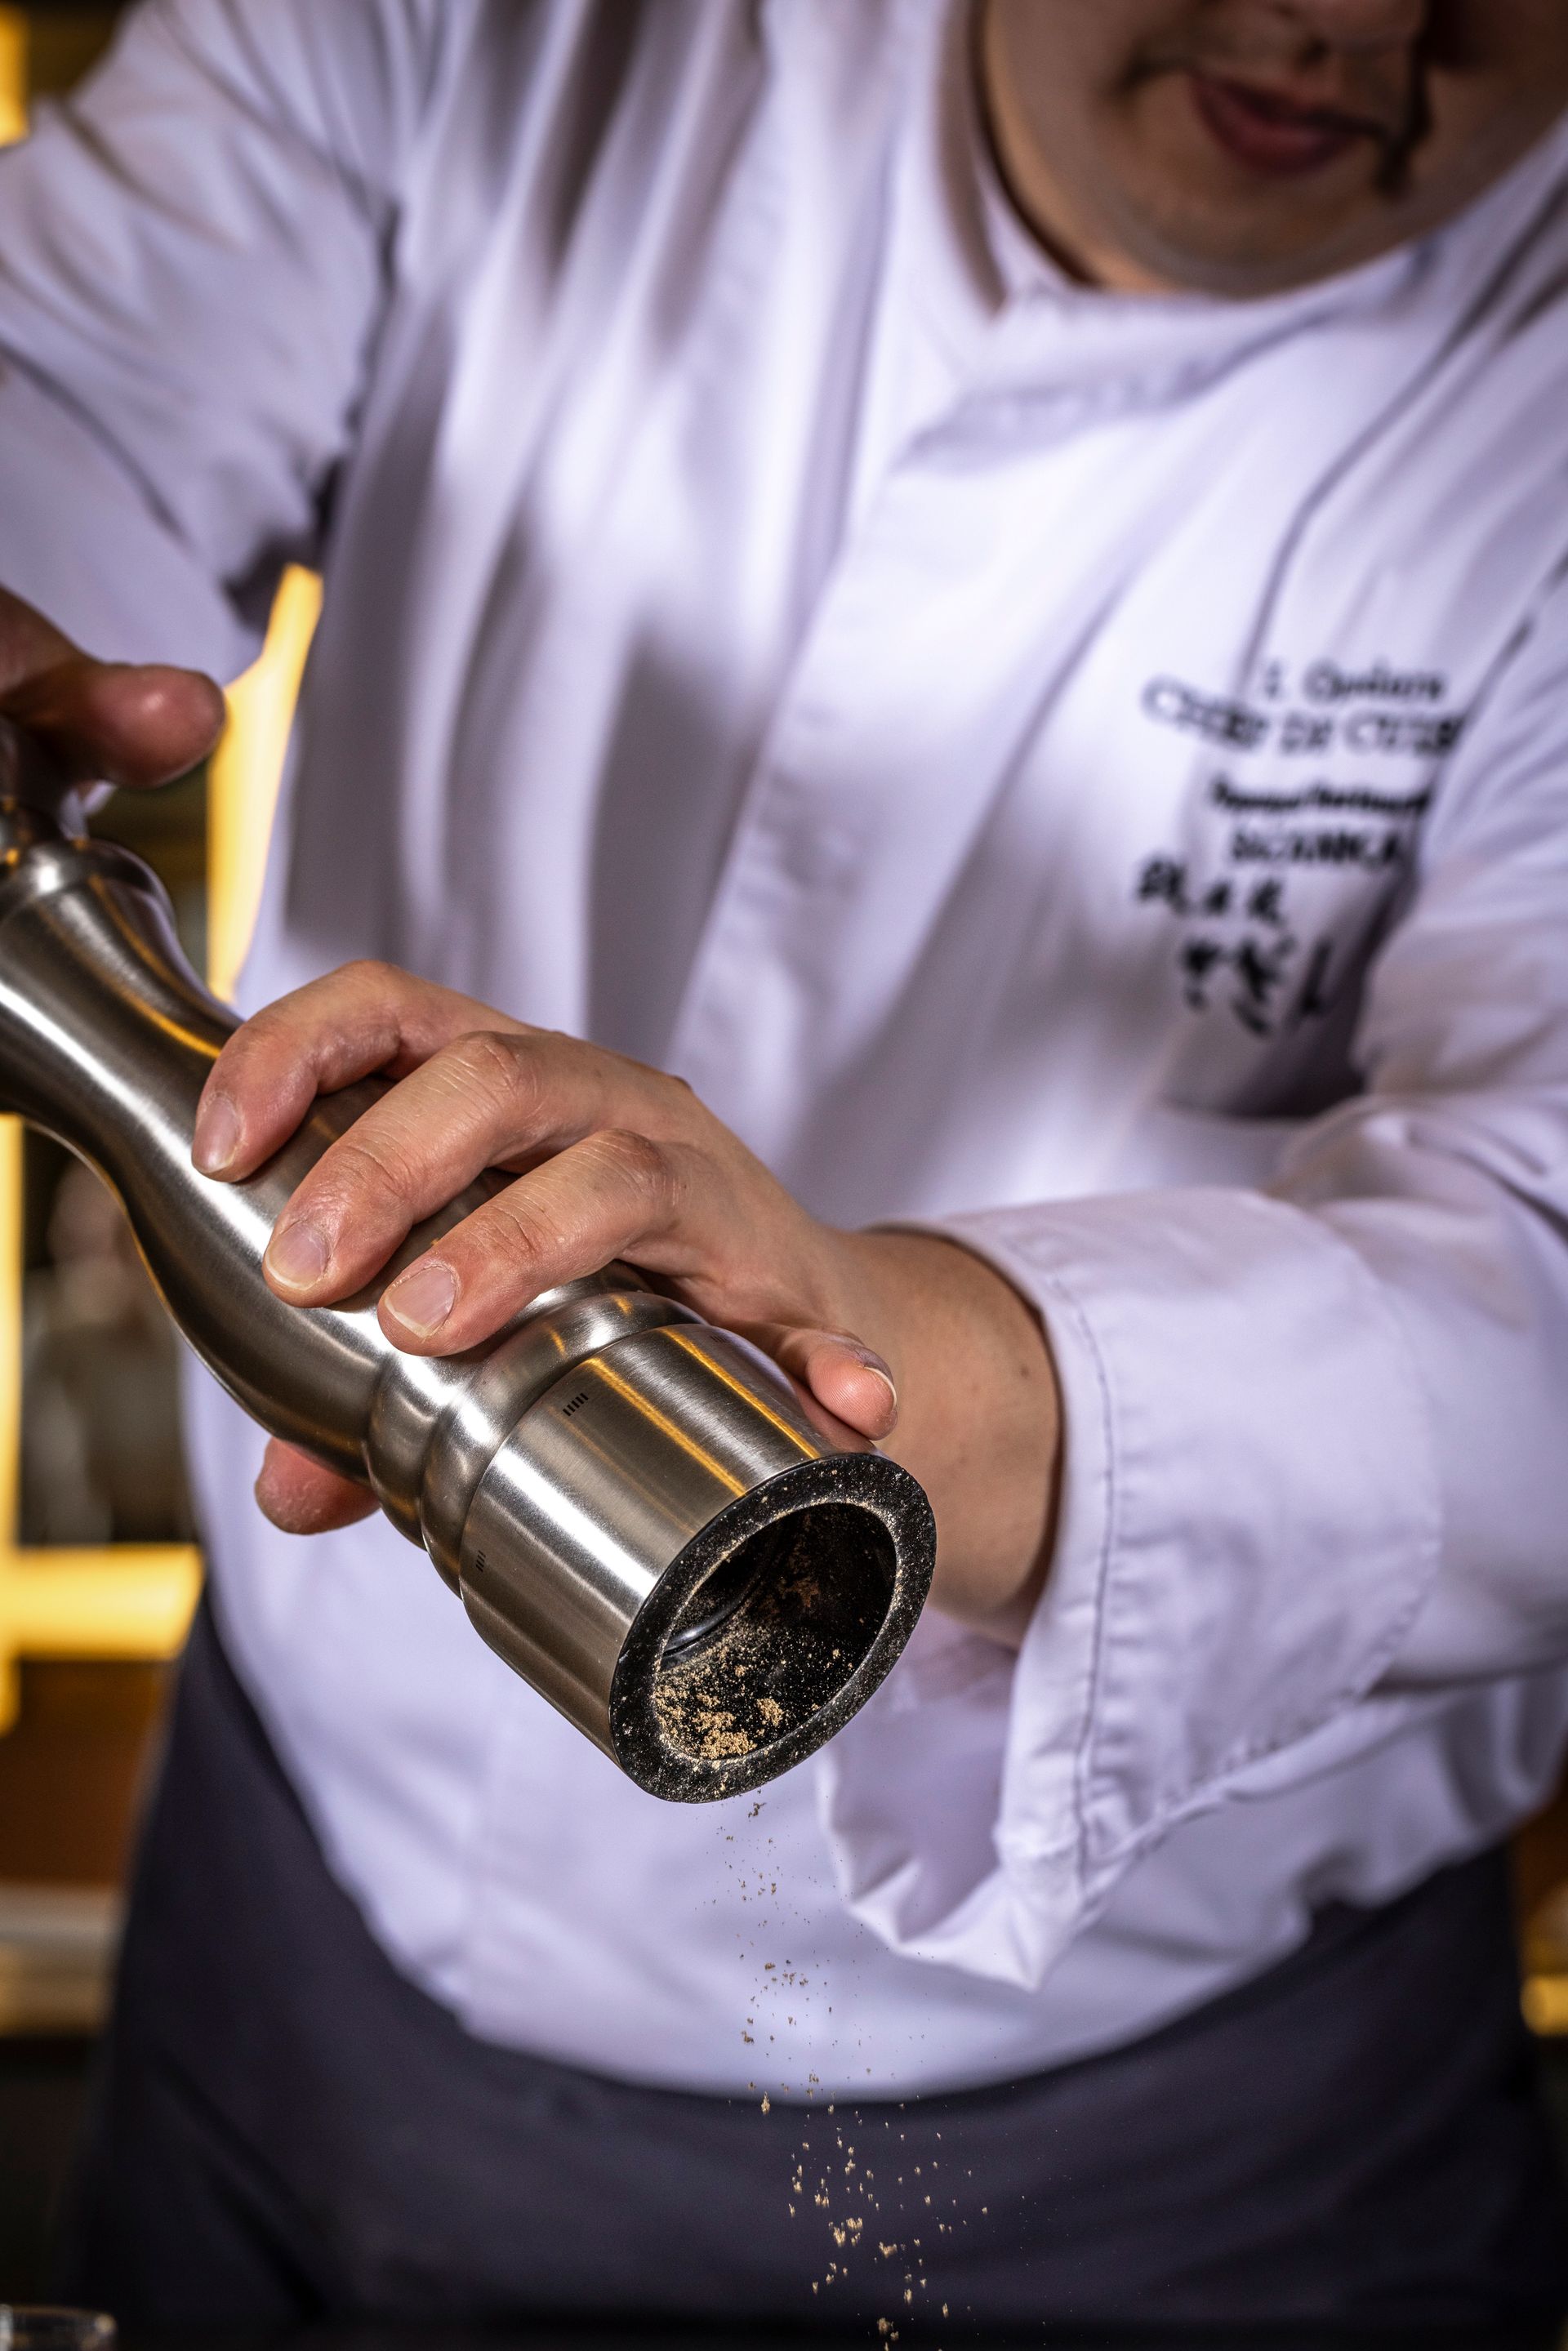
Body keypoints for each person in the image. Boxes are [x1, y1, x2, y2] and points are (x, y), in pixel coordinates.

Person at [2, 0, 1568, 2329]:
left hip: (1162, 2148)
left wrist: (879, 1347)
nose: (1352, 23)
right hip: (299, 1929)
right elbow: (66, 381)